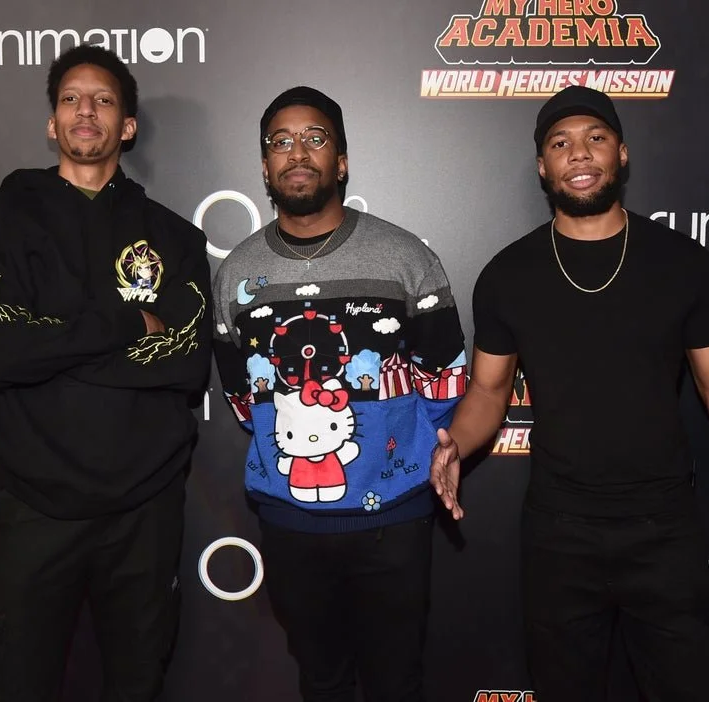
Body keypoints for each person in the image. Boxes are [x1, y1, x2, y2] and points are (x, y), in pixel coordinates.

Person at [428, 85, 709, 701]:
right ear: (542, 166)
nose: (579, 154)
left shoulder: (684, 265)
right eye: (560, 144)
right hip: (559, 532)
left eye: (596, 138)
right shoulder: (508, 275)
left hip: (665, 529)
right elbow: (488, 392)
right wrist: (456, 444)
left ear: (622, 153)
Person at [0, 44, 211, 702]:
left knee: (137, 684)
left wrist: (53, 348)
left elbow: (185, 363)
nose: (86, 110)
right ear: (52, 123)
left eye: (103, 100)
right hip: (37, 506)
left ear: (127, 125)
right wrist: (127, 324)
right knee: (16, 684)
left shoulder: (175, 237)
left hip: (145, 509)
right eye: (71, 99)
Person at [212, 86, 467, 702]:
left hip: (396, 519)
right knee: (321, 681)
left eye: (315, 139)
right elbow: (243, 397)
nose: (298, 153)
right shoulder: (236, 272)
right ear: (265, 166)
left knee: (396, 683)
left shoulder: (404, 256)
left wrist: (390, 452)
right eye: (281, 142)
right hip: (290, 522)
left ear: (342, 161)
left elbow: (446, 378)